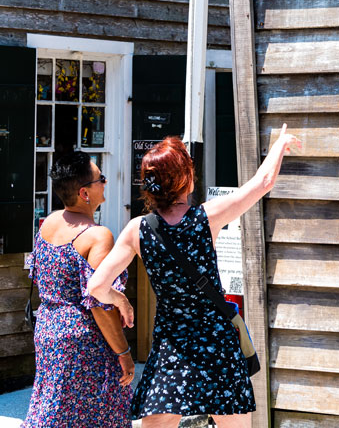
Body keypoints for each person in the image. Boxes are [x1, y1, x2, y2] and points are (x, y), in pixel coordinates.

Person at [88, 126, 299, 428]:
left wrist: (120, 299)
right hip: (216, 341)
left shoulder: (138, 229)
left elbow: (96, 287)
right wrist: (279, 144)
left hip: (171, 345)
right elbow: (263, 182)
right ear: (184, 178)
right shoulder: (205, 218)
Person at [23, 152, 134, 428]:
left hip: (48, 330)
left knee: (53, 411)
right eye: (101, 179)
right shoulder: (98, 236)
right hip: (83, 342)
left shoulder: (49, 223)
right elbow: (99, 302)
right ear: (85, 193)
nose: (105, 183)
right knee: (98, 415)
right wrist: (124, 353)